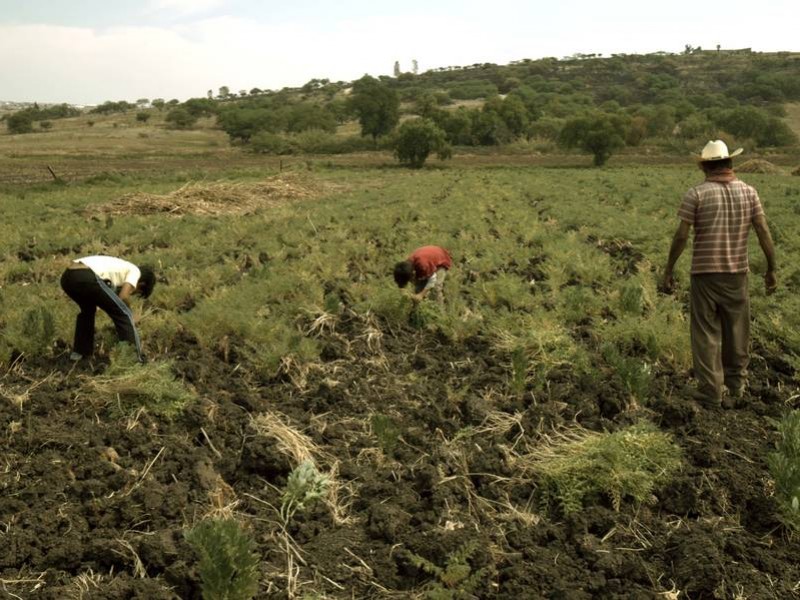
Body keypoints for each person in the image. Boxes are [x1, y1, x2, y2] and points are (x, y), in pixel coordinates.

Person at [661, 140, 777, 407]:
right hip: (737, 274)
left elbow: (681, 236)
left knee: (705, 333)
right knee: (738, 330)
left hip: (704, 274)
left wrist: (669, 268)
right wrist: (772, 269)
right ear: (730, 163)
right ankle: (736, 386)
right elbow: (763, 231)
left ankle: (711, 391)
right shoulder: (750, 192)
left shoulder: (696, 194)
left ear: (705, 166)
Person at [60, 255, 155, 362]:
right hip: (85, 276)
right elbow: (123, 296)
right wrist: (131, 315)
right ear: (141, 284)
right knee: (124, 314)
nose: (131, 291)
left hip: (68, 277)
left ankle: (80, 354)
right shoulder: (135, 271)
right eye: (135, 291)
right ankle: (135, 359)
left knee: (88, 311)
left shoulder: (121, 267)